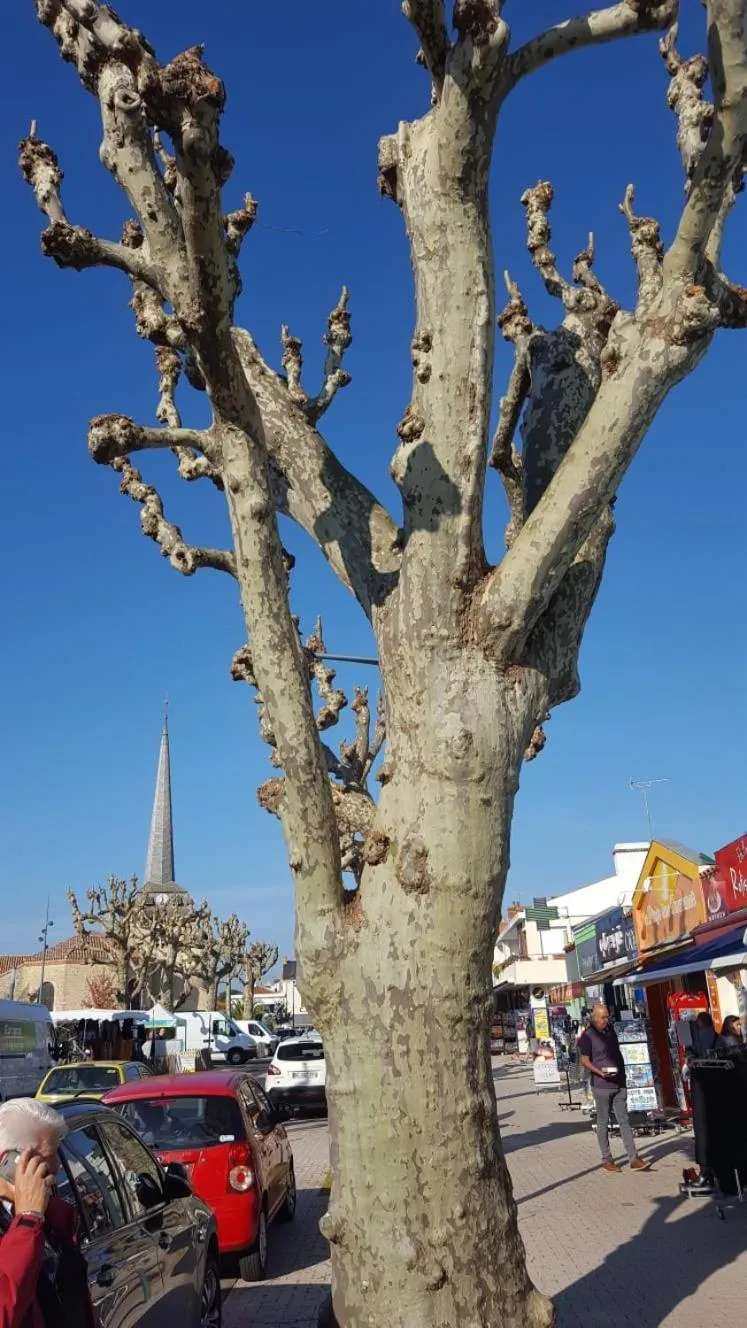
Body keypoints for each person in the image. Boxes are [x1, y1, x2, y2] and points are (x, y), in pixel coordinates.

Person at [0, 1099, 95, 1328]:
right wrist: (28, 1220)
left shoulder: (53, 1219)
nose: (56, 1166)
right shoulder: (30, 1223)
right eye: (44, 1160)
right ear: (7, 1162)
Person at [577, 1004, 651, 1174]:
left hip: (619, 1083)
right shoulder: (588, 1036)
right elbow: (585, 1061)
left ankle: (634, 1158)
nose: (606, 1020)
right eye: (602, 1017)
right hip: (602, 1086)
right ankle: (607, 1159)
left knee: (624, 1120)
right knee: (603, 1122)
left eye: (607, 1017)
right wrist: (600, 1072)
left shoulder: (610, 1030)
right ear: (594, 1017)